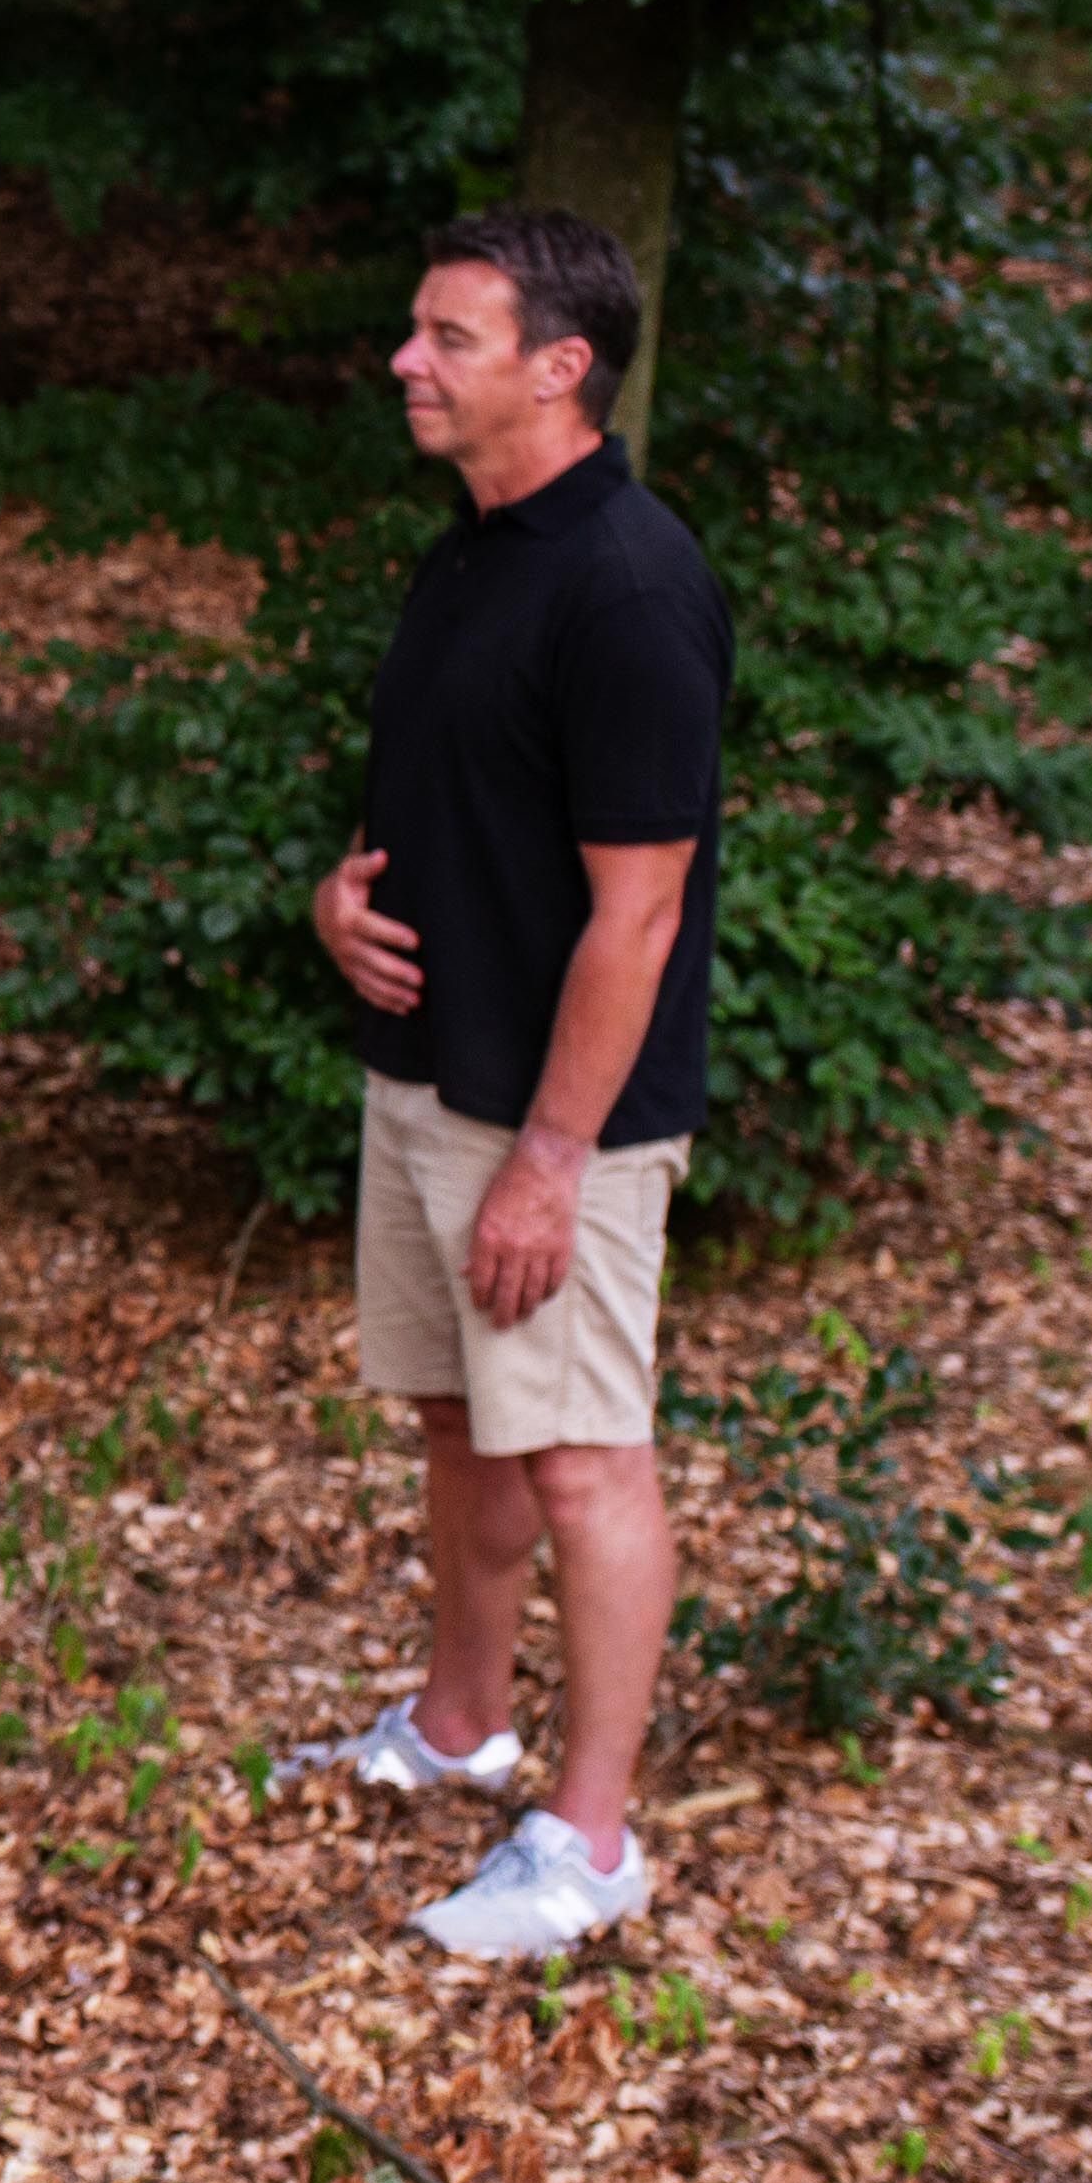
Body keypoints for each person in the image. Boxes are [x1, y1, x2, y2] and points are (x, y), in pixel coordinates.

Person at [308, 204, 730, 1960]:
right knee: (453, 1420)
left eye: (446, 338)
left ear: (556, 369)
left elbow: (634, 917)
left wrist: (550, 1158)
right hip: (423, 1076)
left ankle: (587, 1839)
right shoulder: (468, 545)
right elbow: (438, 787)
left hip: (555, 1122)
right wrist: (335, 889)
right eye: (413, 330)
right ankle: (461, 1723)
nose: (405, 359)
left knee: (576, 1458)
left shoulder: (626, 583)